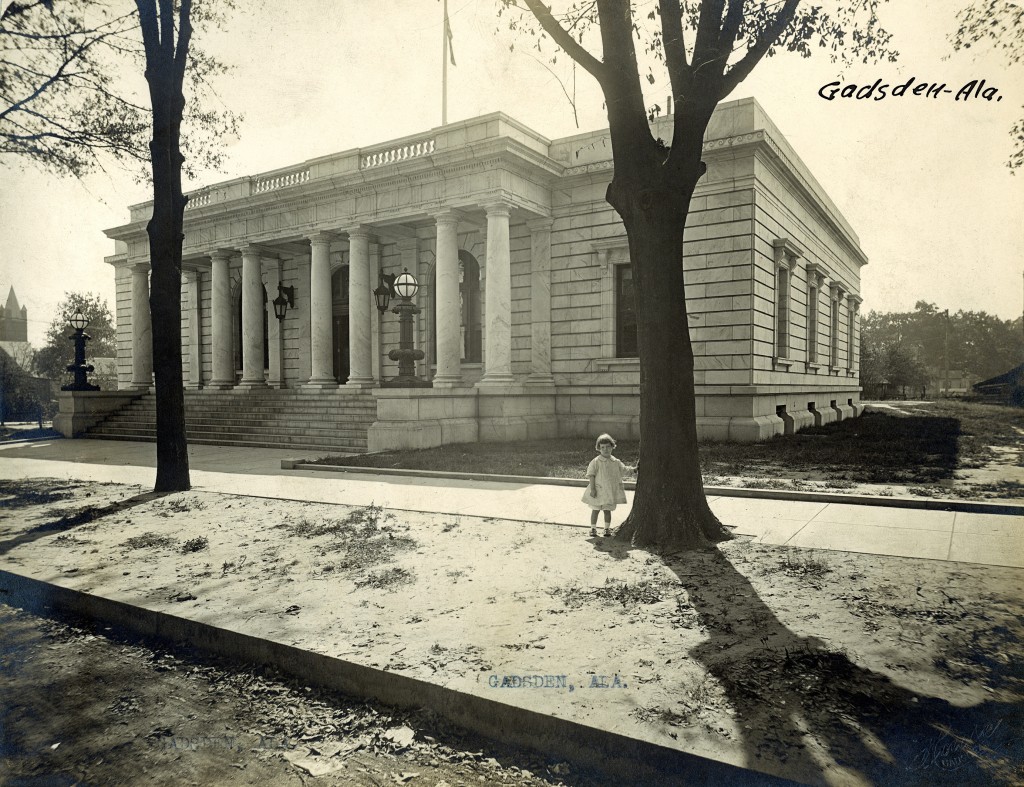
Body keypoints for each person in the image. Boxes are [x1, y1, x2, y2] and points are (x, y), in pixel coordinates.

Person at [581, 433, 631, 537]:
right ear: (598, 448)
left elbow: (624, 470)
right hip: (598, 491)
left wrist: (634, 470)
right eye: (602, 447)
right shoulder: (596, 461)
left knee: (607, 511)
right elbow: (591, 475)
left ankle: (606, 529)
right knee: (595, 510)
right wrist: (593, 489)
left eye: (608, 447)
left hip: (609, 492)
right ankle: (593, 528)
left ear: (612, 447)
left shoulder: (615, 462)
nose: (605, 449)